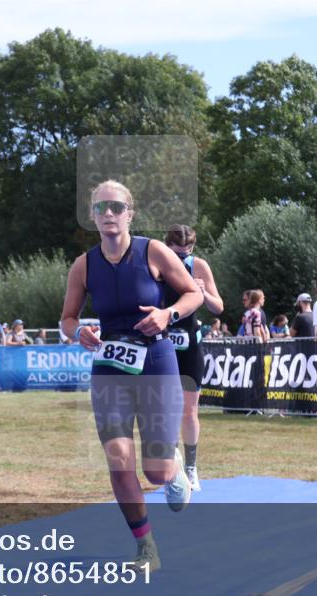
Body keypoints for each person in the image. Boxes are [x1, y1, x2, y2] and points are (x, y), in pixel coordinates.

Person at [60, 180, 202, 572]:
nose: (109, 213)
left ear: (130, 213)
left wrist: (166, 314)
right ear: (92, 215)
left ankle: (171, 467)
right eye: (101, 207)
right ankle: (146, 547)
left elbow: (193, 294)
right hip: (110, 367)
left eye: (116, 207)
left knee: (154, 470)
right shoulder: (84, 265)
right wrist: (78, 332)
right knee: (119, 459)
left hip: (156, 360)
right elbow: (67, 318)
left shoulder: (152, 251)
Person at [164, 223, 224, 492]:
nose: (182, 258)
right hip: (161, 346)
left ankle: (190, 467)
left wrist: (204, 292)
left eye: (187, 252)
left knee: (189, 411)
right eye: (177, 253)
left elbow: (218, 307)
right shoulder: (155, 264)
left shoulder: (198, 265)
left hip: (189, 346)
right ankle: (171, 467)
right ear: (167, 247)